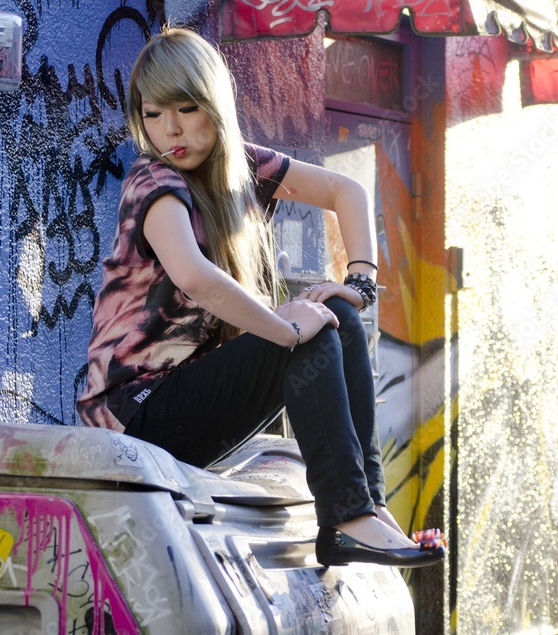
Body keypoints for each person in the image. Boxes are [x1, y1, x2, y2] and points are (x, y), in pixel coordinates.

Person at [76, 27, 444, 568]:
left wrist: (361, 283)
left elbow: (348, 191)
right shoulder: (151, 181)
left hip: (186, 406)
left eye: (185, 108)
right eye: (153, 114)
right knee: (307, 331)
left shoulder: (242, 168)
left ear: (214, 105)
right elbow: (194, 276)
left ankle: (366, 508)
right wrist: (286, 326)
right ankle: (345, 517)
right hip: (134, 416)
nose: (169, 130)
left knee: (335, 311)